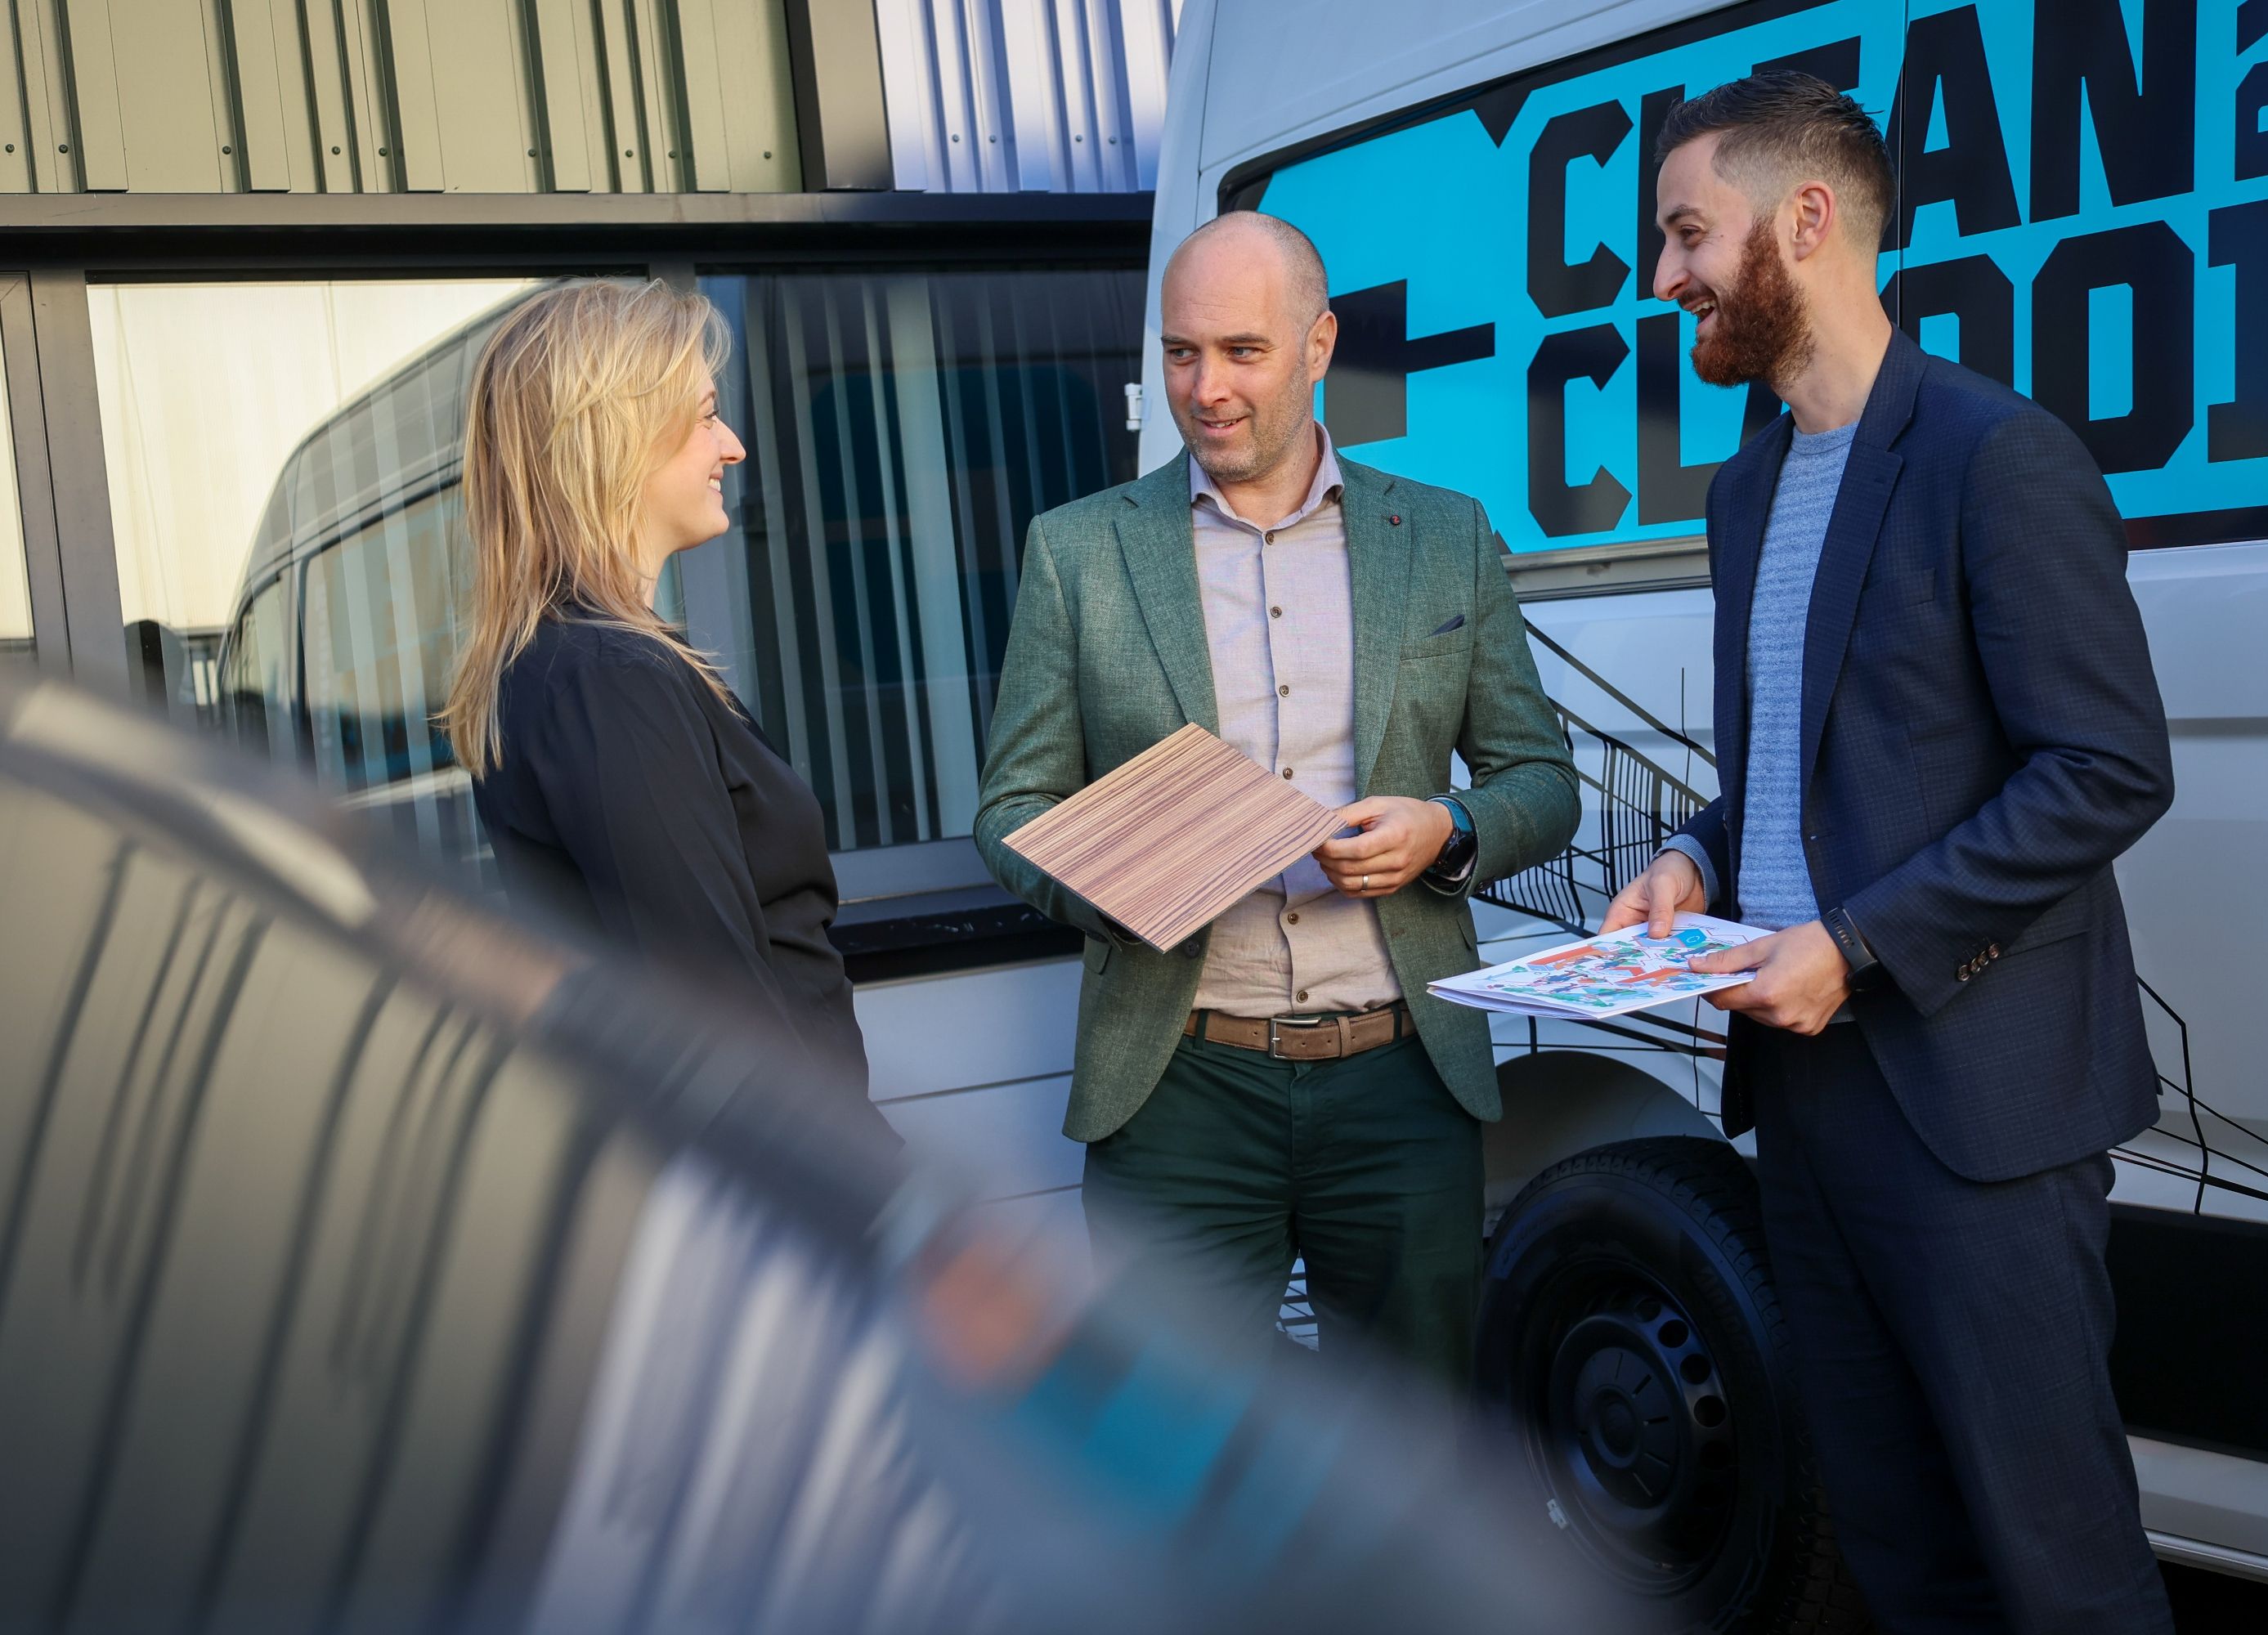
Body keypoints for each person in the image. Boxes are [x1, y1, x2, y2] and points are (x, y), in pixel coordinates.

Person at [1600, 73, 2177, 1633]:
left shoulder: (1999, 455)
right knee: (1899, 1554)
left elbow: (2108, 767)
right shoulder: (1747, 488)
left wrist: (1855, 945)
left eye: (1685, 231)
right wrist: (1701, 868)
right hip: (1802, 1099)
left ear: (1809, 218)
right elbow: (1793, 782)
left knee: (2061, 1575)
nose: (1666, 277)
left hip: (1972, 1106)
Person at [973, 212, 1577, 1386]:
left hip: (1402, 1081)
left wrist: (1446, 831)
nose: (1206, 387)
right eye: (1182, 352)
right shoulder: (1077, 552)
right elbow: (1010, 812)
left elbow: (1541, 782)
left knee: (1413, 1461)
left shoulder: (1444, 536)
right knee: (1180, 1459)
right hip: (1179, 1087)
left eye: (1242, 351)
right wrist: (1132, 879)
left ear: (1319, 346)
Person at [441, 280, 879, 1132]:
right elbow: (718, 1008)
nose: (735, 445)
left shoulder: (578, 663)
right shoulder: (606, 678)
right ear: (620, 437)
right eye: (708, 414)